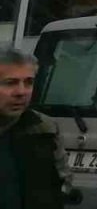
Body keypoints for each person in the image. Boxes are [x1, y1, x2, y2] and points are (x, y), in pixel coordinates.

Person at [0, 44, 78, 209]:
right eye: (10, 83)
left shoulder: (44, 128)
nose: (21, 92)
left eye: (29, 82)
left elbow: (63, 182)